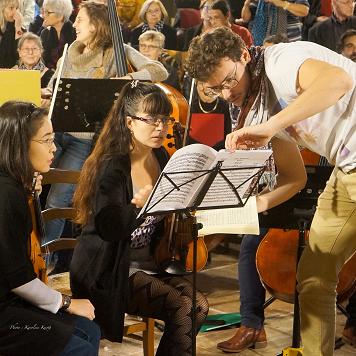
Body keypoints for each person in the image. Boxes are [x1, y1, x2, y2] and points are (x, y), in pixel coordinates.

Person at [185, 26, 356, 356]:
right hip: (347, 169)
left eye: (229, 80)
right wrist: (251, 208)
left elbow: (339, 82)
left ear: (244, 56)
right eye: (215, 88)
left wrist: (268, 127)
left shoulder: (282, 60)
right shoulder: (255, 108)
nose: (225, 93)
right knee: (314, 276)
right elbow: (294, 178)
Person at [70, 81, 209, 355]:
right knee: (183, 306)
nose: (160, 127)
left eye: (164, 119)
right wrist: (139, 208)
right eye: (151, 119)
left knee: (198, 305)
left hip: (149, 263)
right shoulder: (112, 165)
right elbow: (108, 228)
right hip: (109, 269)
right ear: (129, 122)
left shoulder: (160, 156)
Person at [43, 1, 167, 270]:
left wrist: (131, 80)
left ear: (97, 25)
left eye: (80, 20)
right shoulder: (68, 53)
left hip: (84, 138)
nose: (74, 25)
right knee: (41, 193)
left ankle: (46, 262)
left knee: (59, 198)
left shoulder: (118, 51)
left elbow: (160, 70)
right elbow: (54, 87)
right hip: (57, 133)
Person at [0, 100, 100, 356]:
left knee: (90, 331)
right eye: (46, 140)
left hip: (12, 302)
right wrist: (66, 303)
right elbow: (18, 276)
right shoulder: (6, 194)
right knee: (80, 348)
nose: (54, 148)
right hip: (4, 314)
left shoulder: (15, 185)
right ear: (20, 144)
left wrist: (30, 192)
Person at [241, 0, 309, 45]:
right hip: (261, 45)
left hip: (289, 42)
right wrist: (246, 4)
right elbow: (245, 19)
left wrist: (282, 3)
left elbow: (304, 11)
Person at [40, 0, 76, 70]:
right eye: (44, 12)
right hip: (49, 76)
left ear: (60, 16)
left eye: (48, 13)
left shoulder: (75, 33)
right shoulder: (45, 33)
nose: (44, 15)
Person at [0, 0, 24, 68]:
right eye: (11, 8)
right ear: (1, 9)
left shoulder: (17, 28)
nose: (15, 12)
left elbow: (19, 55)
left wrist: (18, 27)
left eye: (16, 8)